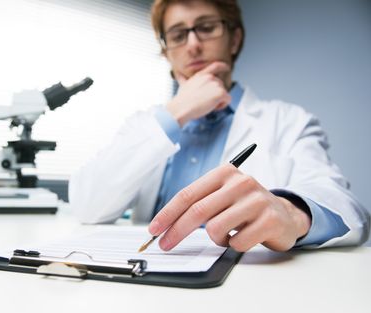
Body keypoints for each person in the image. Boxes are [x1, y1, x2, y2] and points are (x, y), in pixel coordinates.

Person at [68, 0, 370, 252]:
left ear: (234, 39)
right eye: (177, 35)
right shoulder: (146, 123)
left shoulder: (288, 121)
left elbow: (347, 211)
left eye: (206, 28)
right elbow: (86, 205)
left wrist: (291, 213)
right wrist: (175, 114)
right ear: (167, 52)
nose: (193, 45)